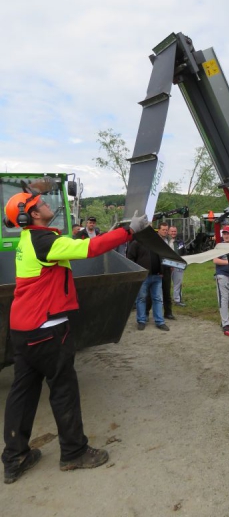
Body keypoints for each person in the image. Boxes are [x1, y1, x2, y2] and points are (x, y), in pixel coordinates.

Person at [1, 192, 148, 484]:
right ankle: (74, 452)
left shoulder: (31, 240)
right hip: (47, 329)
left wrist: (117, 227)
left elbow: (78, 245)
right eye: (40, 204)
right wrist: (129, 230)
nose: (47, 205)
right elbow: (91, 249)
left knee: (23, 392)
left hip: (23, 330)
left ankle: (15, 458)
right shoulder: (44, 242)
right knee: (63, 389)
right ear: (29, 215)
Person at [126, 227, 170, 332]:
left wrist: (162, 271)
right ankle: (141, 321)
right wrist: (137, 272)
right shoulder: (136, 243)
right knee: (141, 299)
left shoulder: (158, 244)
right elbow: (130, 259)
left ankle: (160, 322)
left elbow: (164, 257)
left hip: (157, 276)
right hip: (143, 276)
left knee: (158, 299)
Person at [213, 225, 229, 333]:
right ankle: (225, 324)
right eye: (224, 234)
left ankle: (225, 321)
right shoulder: (219, 246)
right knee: (224, 299)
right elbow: (215, 260)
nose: (226, 235)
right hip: (222, 275)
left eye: (228, 233)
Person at [158, 222, 175, 320]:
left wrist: (172, 264)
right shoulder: (155, 240)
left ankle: (168, 312)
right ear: (159, 230)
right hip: (158, 268)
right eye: (163, 230)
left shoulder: (169, 240)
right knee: (155, 293)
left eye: (166, 230)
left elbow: (171, 253)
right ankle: (148, 313)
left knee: (167, 292)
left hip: (167, 268)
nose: (164, 231)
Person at [168, 225, 186, 307]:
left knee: (178, 283)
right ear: (168, 232)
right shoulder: (165, 241)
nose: (173, 233)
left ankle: (177, 300)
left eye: (175, 231)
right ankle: (164, 300)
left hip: (178, 265)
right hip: (167, 265)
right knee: (165, 283)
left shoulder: (180, 242)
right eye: (172, 231)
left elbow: (184, 253)